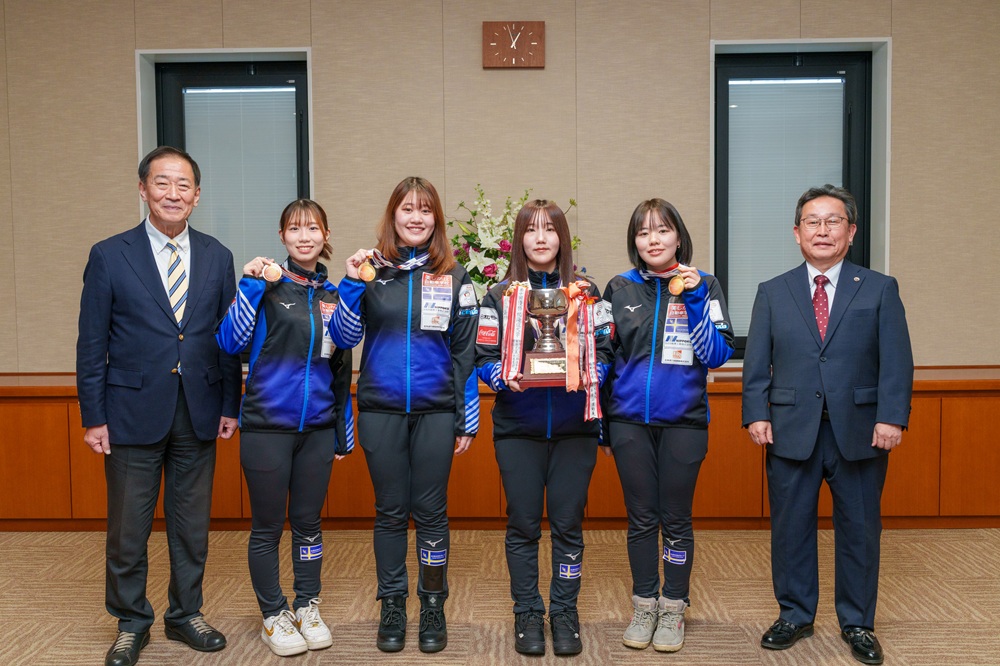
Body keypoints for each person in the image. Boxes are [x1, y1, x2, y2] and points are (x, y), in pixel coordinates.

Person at [76, 146, 242, 666]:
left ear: (197, 195)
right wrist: (93, 416)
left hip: (198, 407)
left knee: (191, 525)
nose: (174, 193)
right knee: (128, 527)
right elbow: (90, 342)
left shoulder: (217, 255)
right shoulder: (109, 254)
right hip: (128, 413)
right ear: (144, 189)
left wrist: (230, 404)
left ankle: (185, 613)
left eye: (184, 185)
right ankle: (131, 622)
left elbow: (227, 340)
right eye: (162, 183)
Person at [742, 185, 913, 666]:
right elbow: (757, 362)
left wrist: (891, 417)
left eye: (832, 220)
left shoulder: (879, 288)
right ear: (796, 233)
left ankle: (858, 621)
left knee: (859, 529)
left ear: (851, 231)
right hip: (789, 427)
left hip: (860, 429)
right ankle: (795, 614)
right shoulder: (772, 291)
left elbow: (896, 361)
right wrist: (756, 411)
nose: (822, 229)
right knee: (790, 528)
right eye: (812, 221)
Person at [327, 176, 480, 654]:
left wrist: (466, 416)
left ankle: (432, 603)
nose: (416, 217)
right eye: (407, 209)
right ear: (392, 215)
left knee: (432, 511)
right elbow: (345, 337)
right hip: (380, 408)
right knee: (391, 512)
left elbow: (465, 353)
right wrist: (352, 283)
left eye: (425, 209)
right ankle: (392, 602)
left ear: (436, 218)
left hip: (436, 410)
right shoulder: (370, 272)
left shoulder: (457, 278)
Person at [215, 199, 353, 657]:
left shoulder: (334, 296)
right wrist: (252, 285)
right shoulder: (265, 284)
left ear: (326, 234)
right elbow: (229, 340)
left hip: (316, 429)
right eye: (295, 229)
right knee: (268, 527)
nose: (305, 236)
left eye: (313, 228)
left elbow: (340, 369)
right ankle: (274, 613)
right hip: (266, 426)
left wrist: (341, 431)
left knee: (309, 524)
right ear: (282, 237)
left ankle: (307, 605)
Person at [475, 200, 613, 656]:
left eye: (549, 229)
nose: (540, 238)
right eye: (530, 230)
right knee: (523, 525)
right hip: (518, 430)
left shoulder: (587, 292)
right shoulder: (499, 295)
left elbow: (609, 352)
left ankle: (565, 610)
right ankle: (528, 612)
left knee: (570, 525)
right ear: (519, 239)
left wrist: (586, 371)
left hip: (575, 430)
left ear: (562, 238)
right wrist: (507, 377)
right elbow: (482, 359)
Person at [602, 198, 735, 653]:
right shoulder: (618, 288)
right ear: (634, 241)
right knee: (641, 518)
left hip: (684, 423)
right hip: (628, 423)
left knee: (676, 519)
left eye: (661, 230)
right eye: (643, 232)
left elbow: (717, 354)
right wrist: (601, 424)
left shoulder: (706, 285)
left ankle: (674, 606)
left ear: (678, 236)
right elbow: (601, 357)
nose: (652, 240)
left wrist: (694, 298)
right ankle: (644, 604)